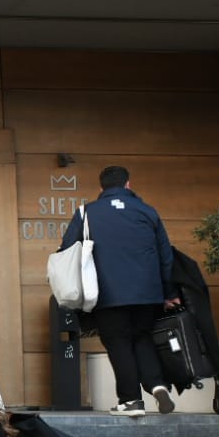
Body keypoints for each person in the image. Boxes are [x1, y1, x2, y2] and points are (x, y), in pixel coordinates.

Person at [59, 165, 179, 416]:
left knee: (118, 342)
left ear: (101, 188)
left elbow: (66, 251)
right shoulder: (148, 212)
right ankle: (157, 385)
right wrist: (168, 292)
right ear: (128, 185)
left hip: (108, 293)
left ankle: (131, 401)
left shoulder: (87, 213)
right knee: (142, 338)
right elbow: (165, 256)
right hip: (148, 293)